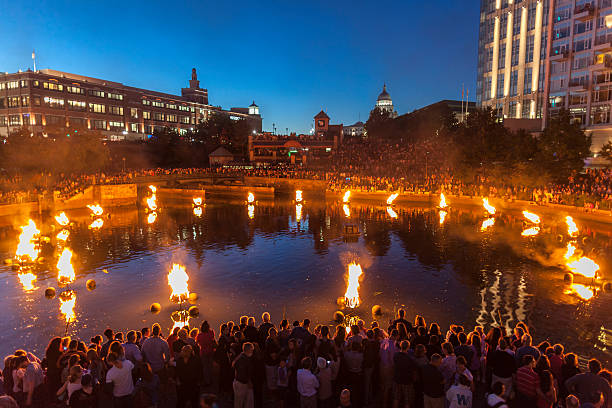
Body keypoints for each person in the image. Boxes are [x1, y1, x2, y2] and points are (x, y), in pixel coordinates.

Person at [393, 340, 417, 408]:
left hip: (397, 379)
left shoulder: (396, 355)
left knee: (396, 398)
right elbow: (414, 370)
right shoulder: (410, 359)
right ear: (408, 347)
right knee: (407, 400)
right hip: (407, 380)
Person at [233, 342, 255, 408]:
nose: (252, 352)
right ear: (248, 350)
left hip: (241, 382)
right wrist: (249, 382)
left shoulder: (241, 357)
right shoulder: (243, 360)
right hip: (242, 383)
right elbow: (242, 373)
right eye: (251, 350)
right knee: (240, 402)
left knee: (244, 402)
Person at [197, 321, 216, 387]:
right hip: (210, 351)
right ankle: (211, 380)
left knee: (205, 367)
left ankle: (207, 381)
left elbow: (198, 343)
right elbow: (213, 340)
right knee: (210, 366)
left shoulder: (199, 335)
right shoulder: (211, 333)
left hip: (203, 352)